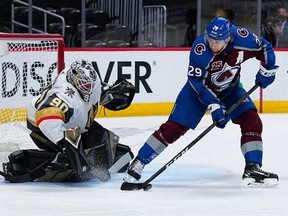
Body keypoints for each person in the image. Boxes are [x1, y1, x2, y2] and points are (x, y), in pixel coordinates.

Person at [123, 16, 279, 187]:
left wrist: (268, 69)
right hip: (197, 91)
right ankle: (139, 162)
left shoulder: (244, 38)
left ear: (228, 39)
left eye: (217, 42)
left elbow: (265, 47)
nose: (212, 45)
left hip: (230, 89)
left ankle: (252, 167)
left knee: (251, 120)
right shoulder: (200, 49)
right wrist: (214, 106)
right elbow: (198, 83)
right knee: (173, 128)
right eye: (210, 39)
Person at [1, 59, 136, 183]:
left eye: (90, 85)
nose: (88, 88)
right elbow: (45, 116)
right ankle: (23, 165)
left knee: (103, 140)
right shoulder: (65, 95)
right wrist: (63, 143)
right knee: (71, 162)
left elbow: (92, 93)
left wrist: (108, 95)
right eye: (84, 85)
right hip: (43, 128)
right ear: (74, 81)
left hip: (72, 124)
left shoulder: (85, 81)